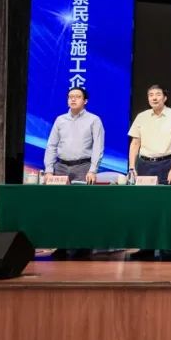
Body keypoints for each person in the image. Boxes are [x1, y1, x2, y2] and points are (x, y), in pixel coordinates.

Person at [127, 84, 171, 261]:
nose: (154, 98)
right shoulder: (142, 117)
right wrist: (132, 167)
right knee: (145, 208)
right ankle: (146, 248)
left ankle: (167, 248)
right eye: (150, 95)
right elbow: (135, 143)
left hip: (166, 164)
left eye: (157, 94)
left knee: (166, 209)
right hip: (144, 165)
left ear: (165, 98)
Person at [43, 86, 105, 260]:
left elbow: (98, 147)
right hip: (61, 167)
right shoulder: (60, 120)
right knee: (60, 208)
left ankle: (83, 245)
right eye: (70, 96)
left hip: (83, 167)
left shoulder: (94, 120)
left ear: (85, 101)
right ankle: (61, 244)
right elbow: (51, 146)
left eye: (77, 96)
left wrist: (93, 169)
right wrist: (49, 170)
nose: (73, 99)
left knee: (82, 208)